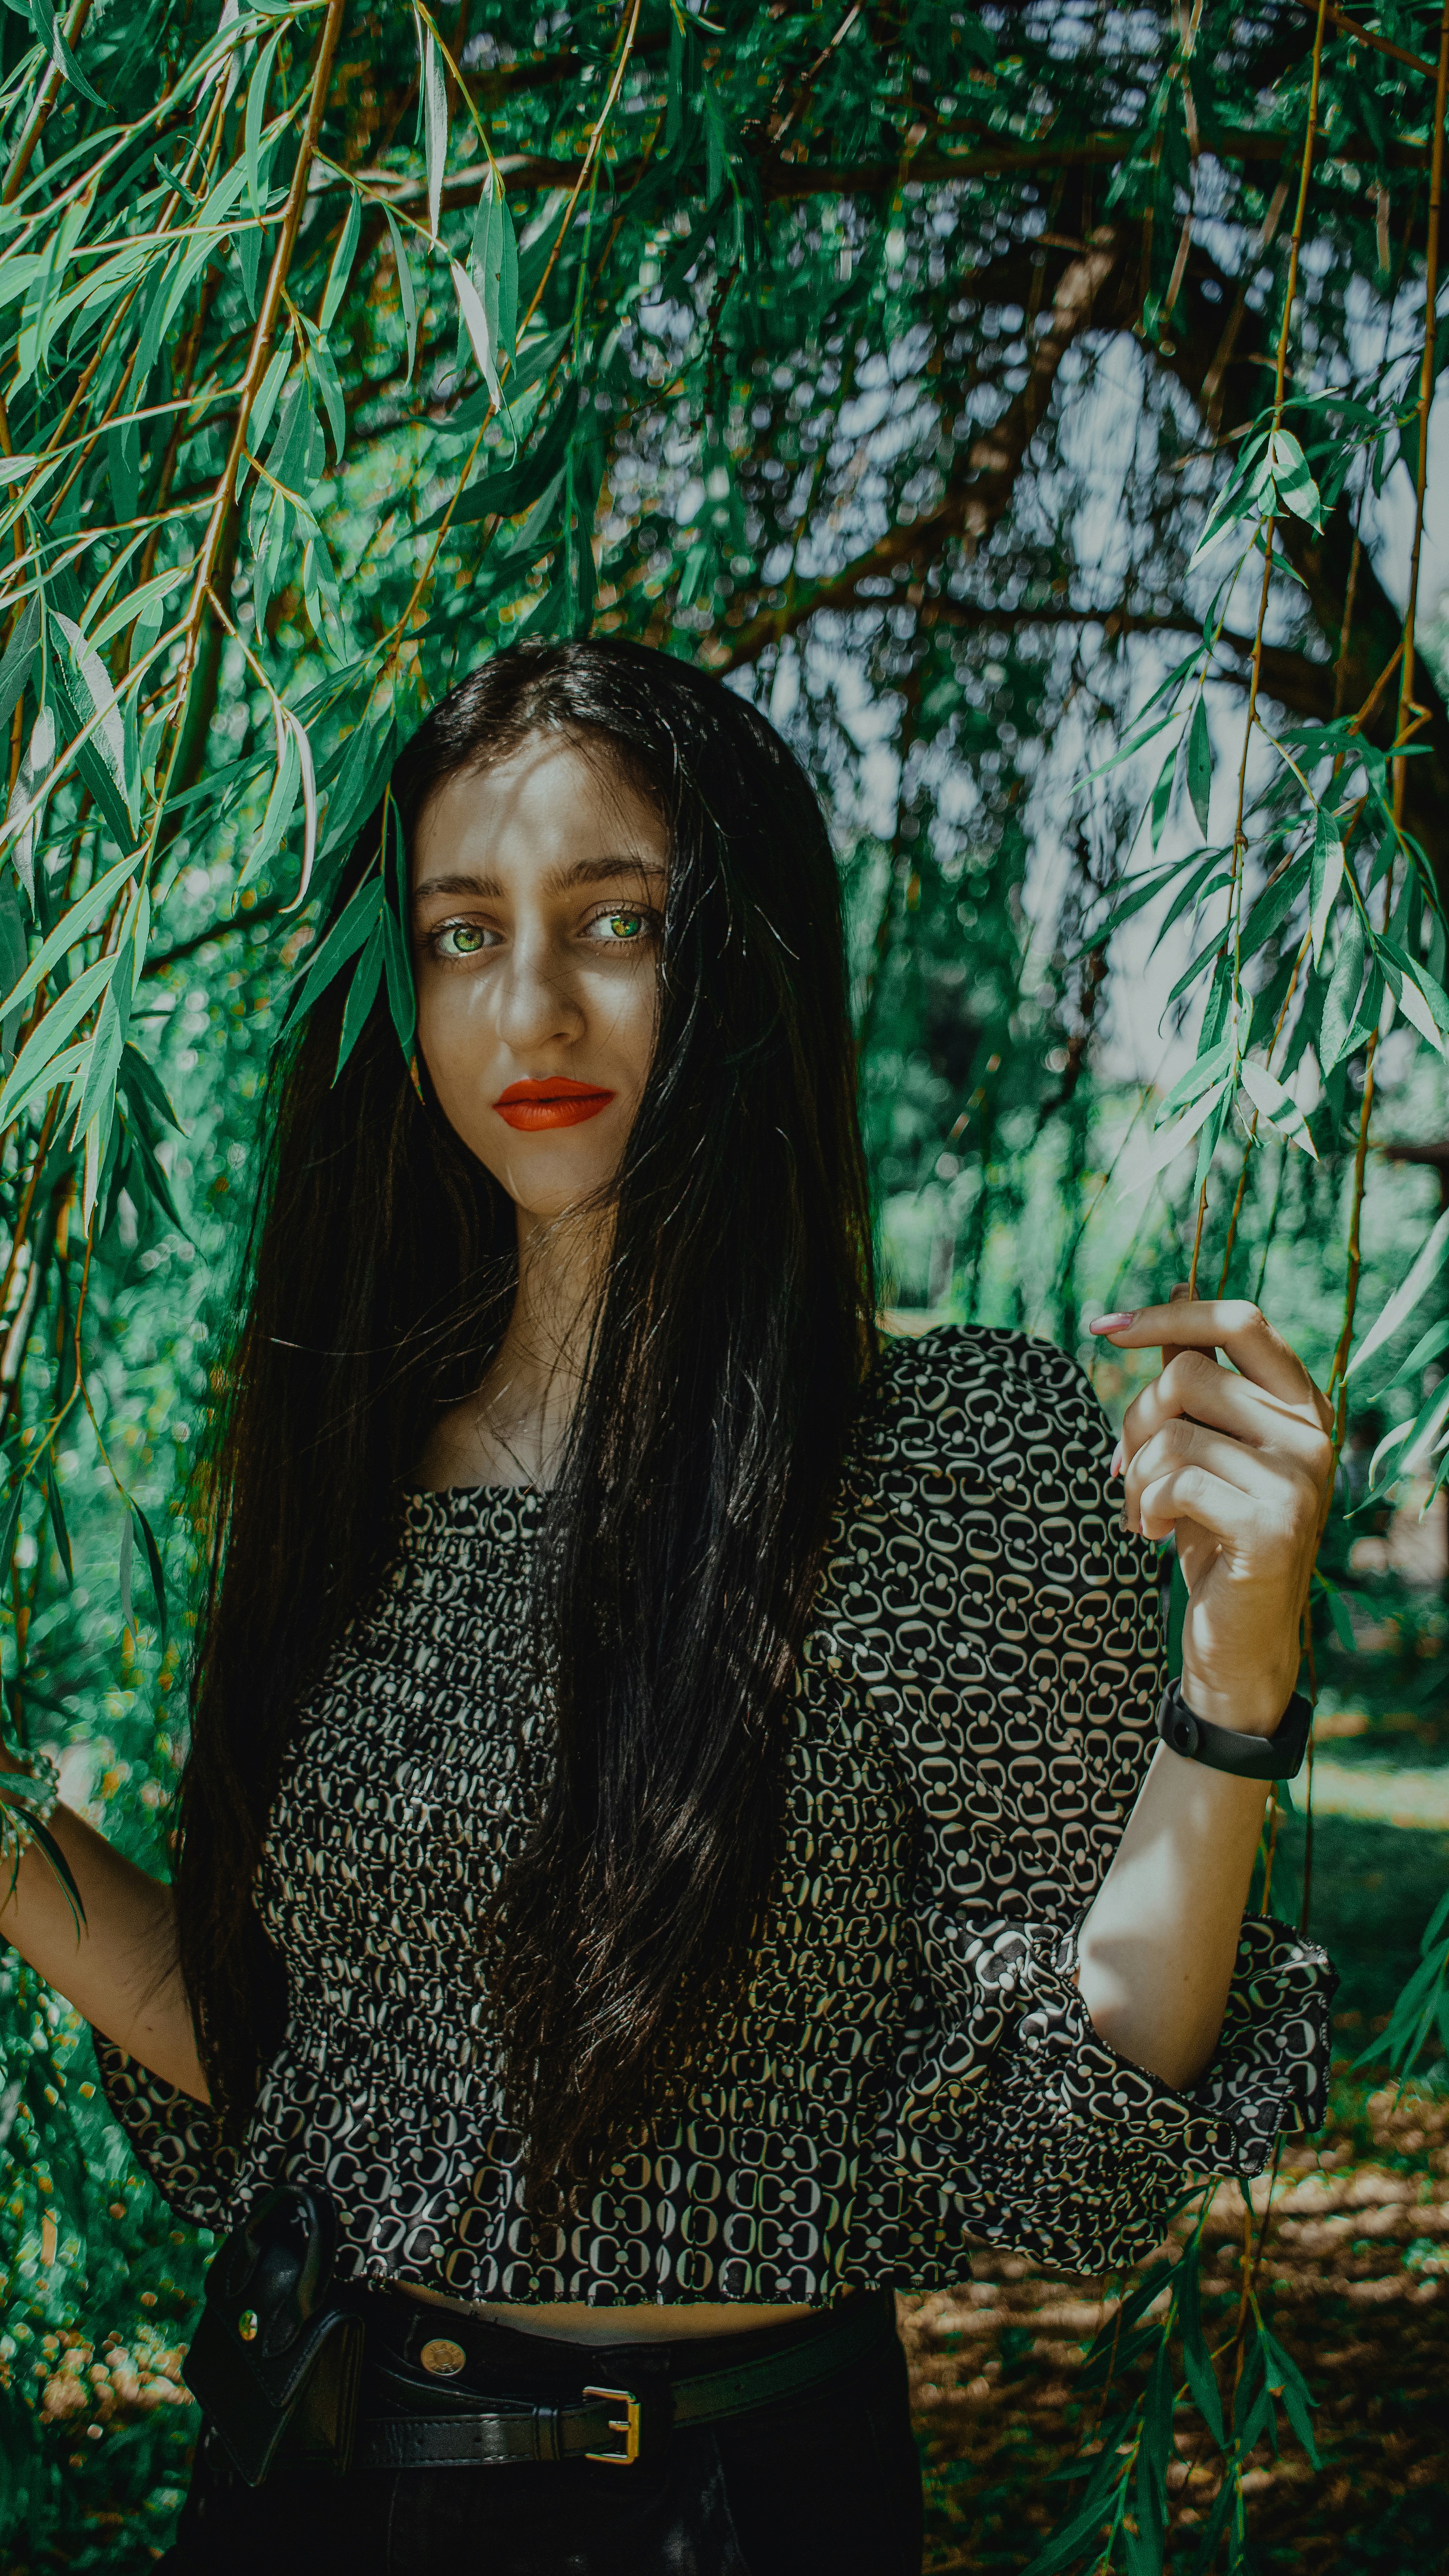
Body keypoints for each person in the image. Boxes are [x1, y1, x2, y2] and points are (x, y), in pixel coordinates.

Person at [0, 641, 1335, 2576]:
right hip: (307, 2481)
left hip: (718, 2512)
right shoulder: (343, 1449)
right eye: (459, 936)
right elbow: (295, 2058)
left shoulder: (938, 1455)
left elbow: (1090, 2111)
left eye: (613, 920)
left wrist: (1233, 1674)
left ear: (744, 950)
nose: (527, 1003)